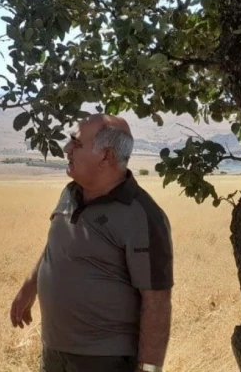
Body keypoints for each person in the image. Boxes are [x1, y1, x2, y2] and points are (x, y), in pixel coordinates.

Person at [10, 114, 173, 372]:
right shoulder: (70, 192)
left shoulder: (142, 215)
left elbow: (157, 301)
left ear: (106, 157)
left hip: (103, 360)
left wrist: (149, 369)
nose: (66, 149)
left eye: (76, 143)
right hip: (54, 351)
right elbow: (58, 244)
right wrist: (30, 287)